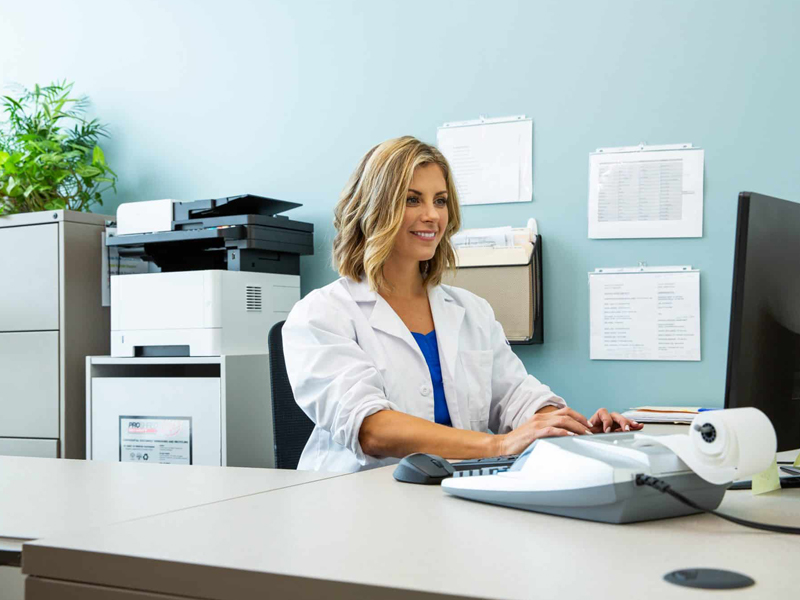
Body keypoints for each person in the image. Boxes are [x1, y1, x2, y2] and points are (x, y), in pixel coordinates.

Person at [284, 136, 642, 472]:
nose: (432, 215)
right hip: (357, 503)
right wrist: (498, 445)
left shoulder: (471, 311)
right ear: (375, 209)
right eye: (413, 199)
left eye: (440, 200)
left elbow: (516, 396)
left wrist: (567, 427)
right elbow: (371, 429)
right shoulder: (322, 314)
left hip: (456, 493)